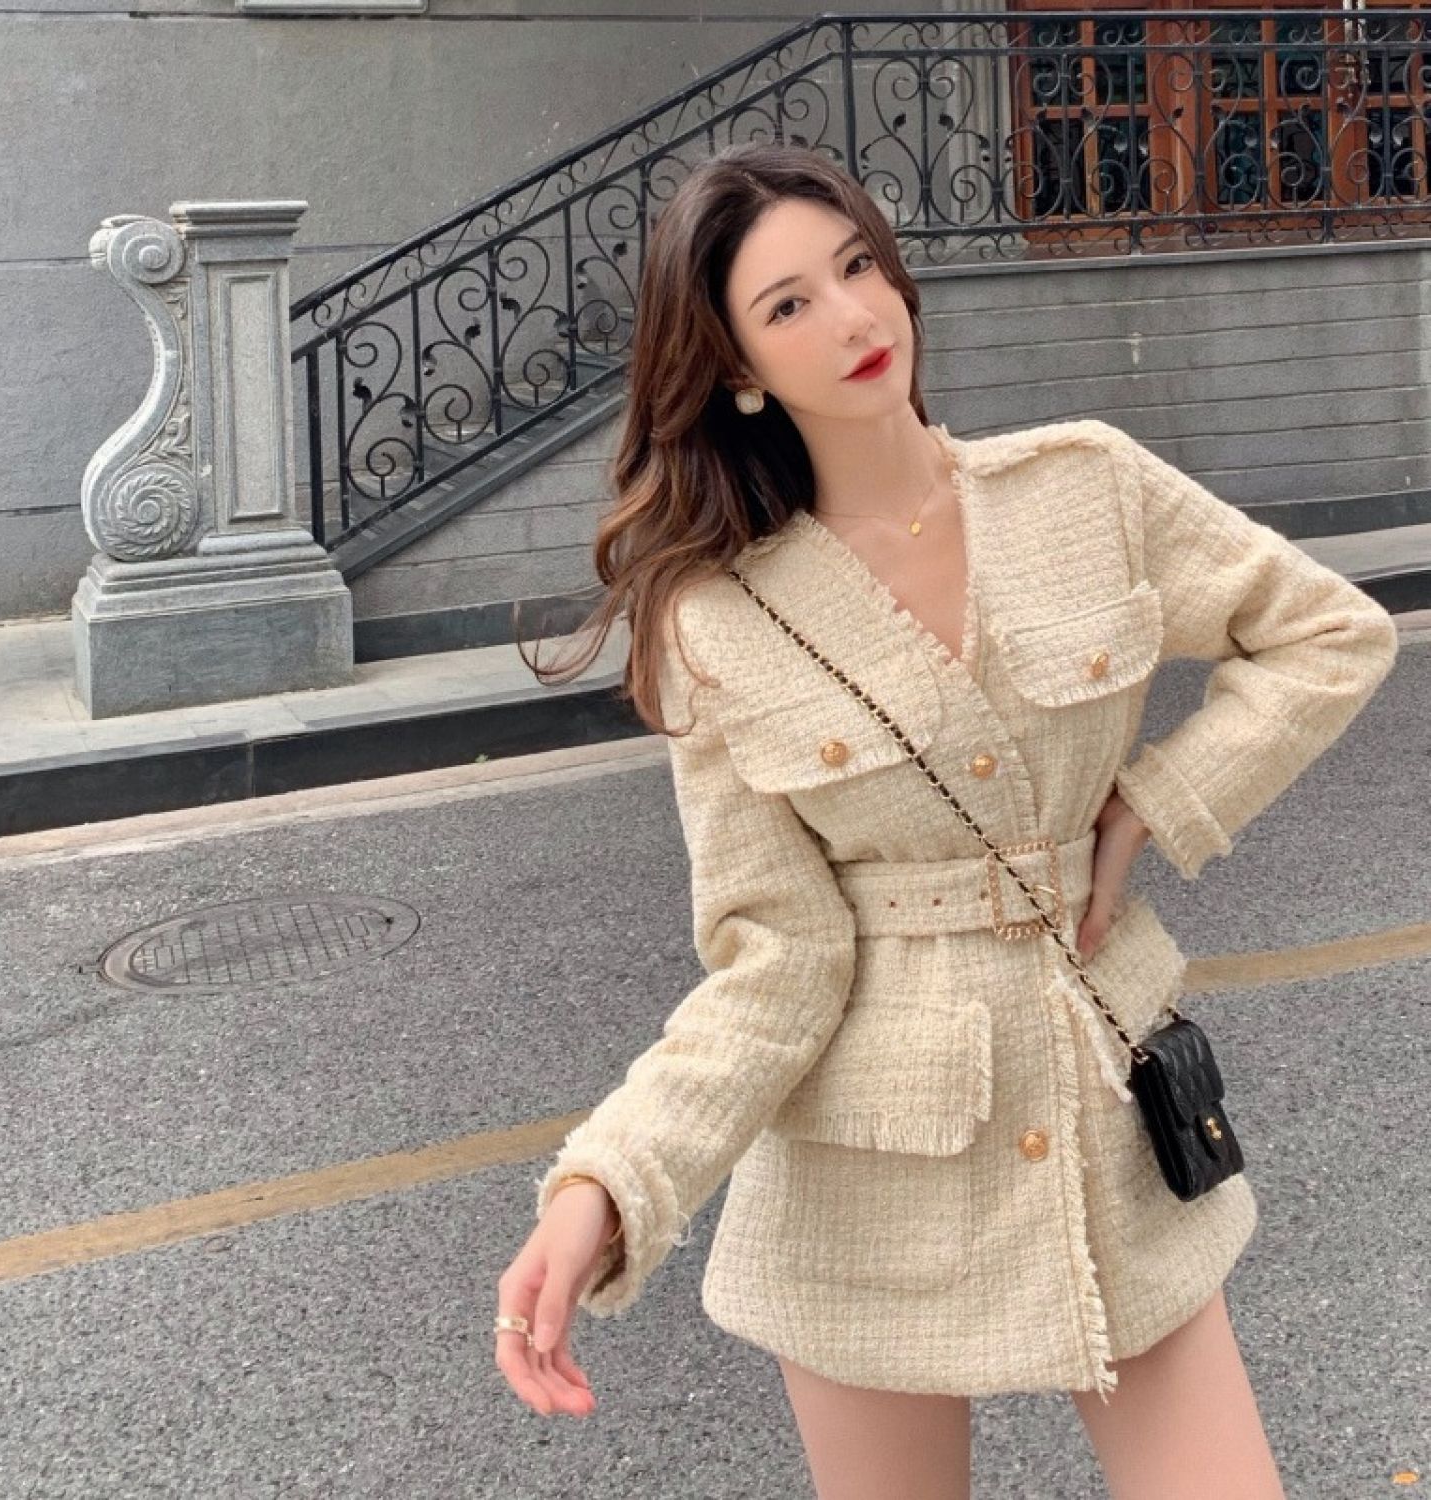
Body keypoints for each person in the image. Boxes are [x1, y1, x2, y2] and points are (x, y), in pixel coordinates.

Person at [493, 140, 1399, 1500]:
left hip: (1107, 1119)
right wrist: (604, 1187)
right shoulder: (717, 622)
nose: (853, 316)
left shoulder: (1082, 486)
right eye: (789, 304)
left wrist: (1152, 805)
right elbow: (774, 962)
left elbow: (1328, 634)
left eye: (858, 266)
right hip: (865, 1182)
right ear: (737, 367)